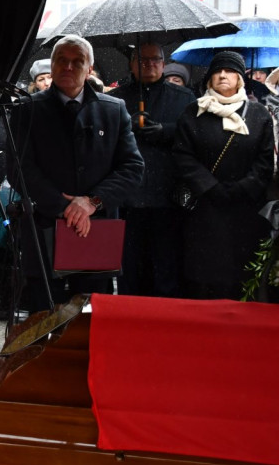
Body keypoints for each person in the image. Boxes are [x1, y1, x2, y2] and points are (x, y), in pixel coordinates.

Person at [8, 34, 144, 312]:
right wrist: (64, 206)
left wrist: (92, 202)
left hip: (97, 229)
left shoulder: (114, 110)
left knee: (91, 316)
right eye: (61, 60)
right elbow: (19, 168)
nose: (68, 67)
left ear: (89, 69)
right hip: (45, 227)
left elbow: (132, 168)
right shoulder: (27, 109)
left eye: (77, 62)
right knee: (43, 315)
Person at [173, 51, 275, 300]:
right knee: (203, 277)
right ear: (209, 79)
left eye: (229, 71)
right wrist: (211, 187)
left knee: (239, 277)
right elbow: (183, 155)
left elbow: (264, 162)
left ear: (240, 78)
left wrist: (242, 188)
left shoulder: (258, 114)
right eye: (217, 71)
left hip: (245, 209)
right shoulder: (193, 112)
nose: (222, 75)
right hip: (205, 209)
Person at [111, 44, 196, 298]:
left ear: (163, 62)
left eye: (155, 59)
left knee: (165, 266)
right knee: (128, 266)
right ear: (131, 64)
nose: (149, 64)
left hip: (166, 196)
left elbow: (193, 136)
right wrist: (126, 125)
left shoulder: (184, 98)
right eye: (142, 59)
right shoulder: (116, 98)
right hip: (127, 196)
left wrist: (165, 131)